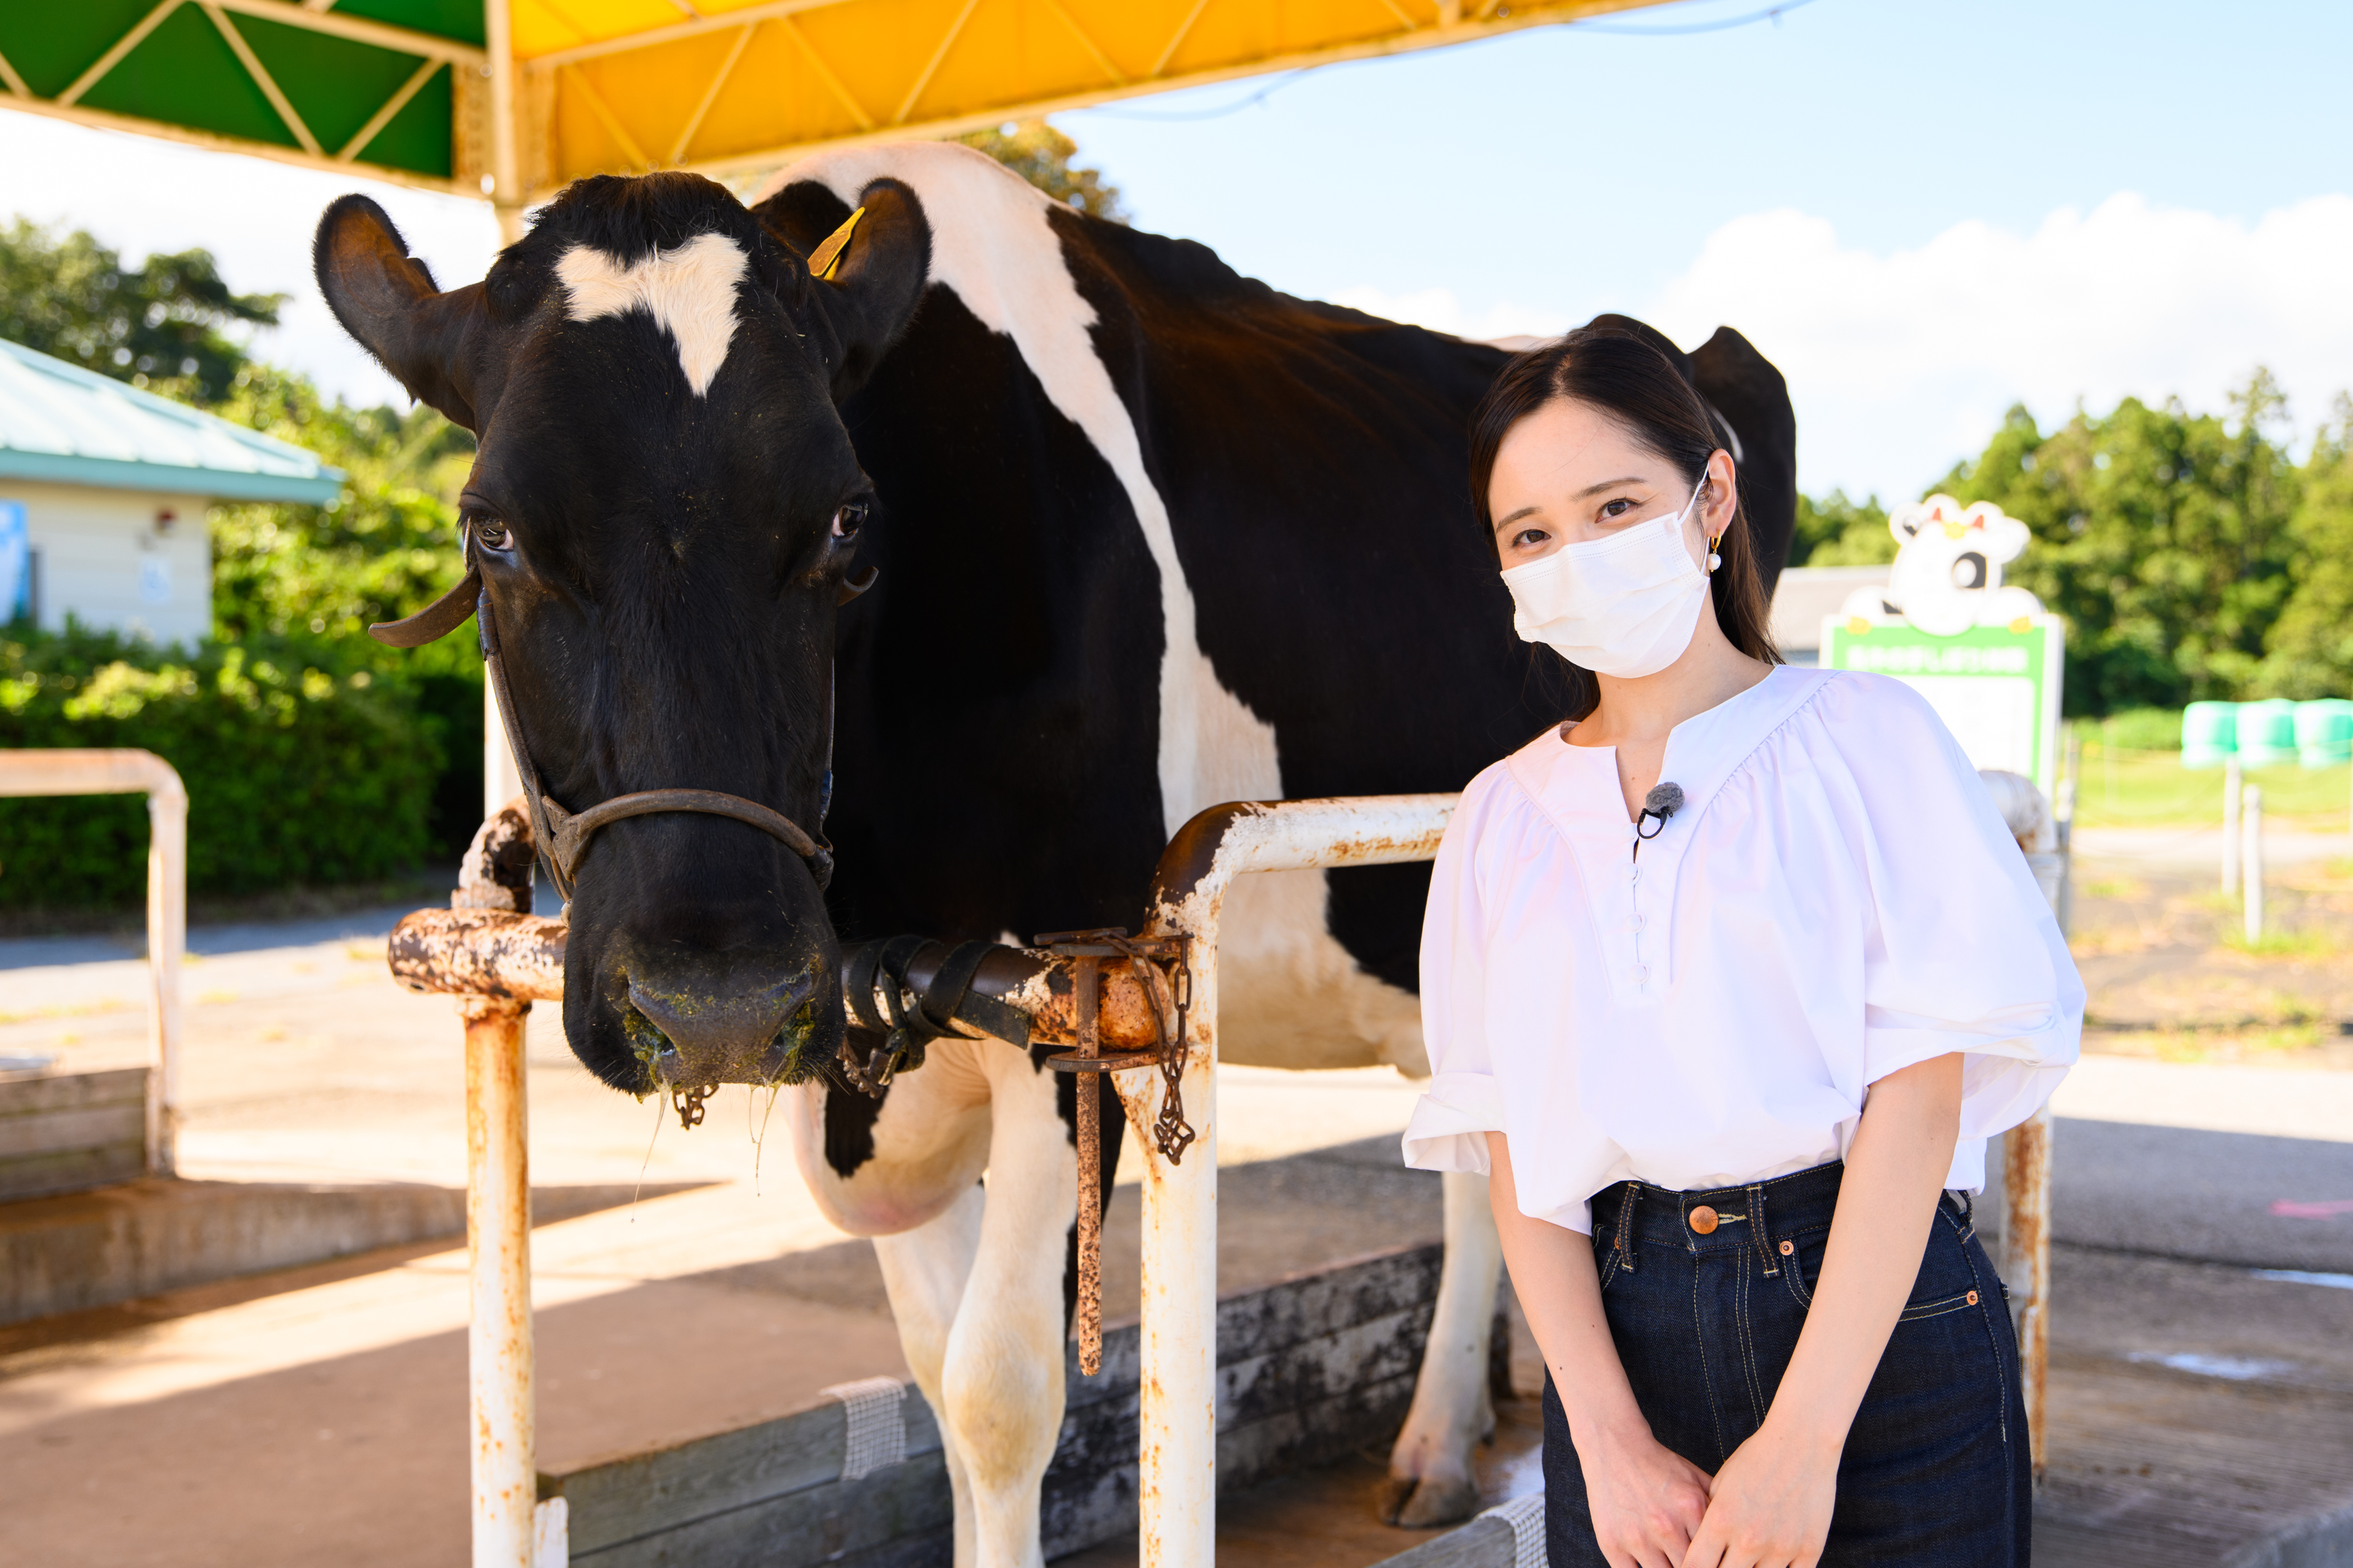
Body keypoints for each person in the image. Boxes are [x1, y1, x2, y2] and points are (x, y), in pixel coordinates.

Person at [1401, 325, 2081, 1568]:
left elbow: (1919, 1095)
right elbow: (1514, 1144)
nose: (1576, 556)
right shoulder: (1500, 815)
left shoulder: (1866, 737)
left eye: (1616, 507)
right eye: (1532, 534)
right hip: (1620, 1337)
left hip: (1879, 1333)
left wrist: (1805, 1441)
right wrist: (1606, 1440)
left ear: (1712, 496)